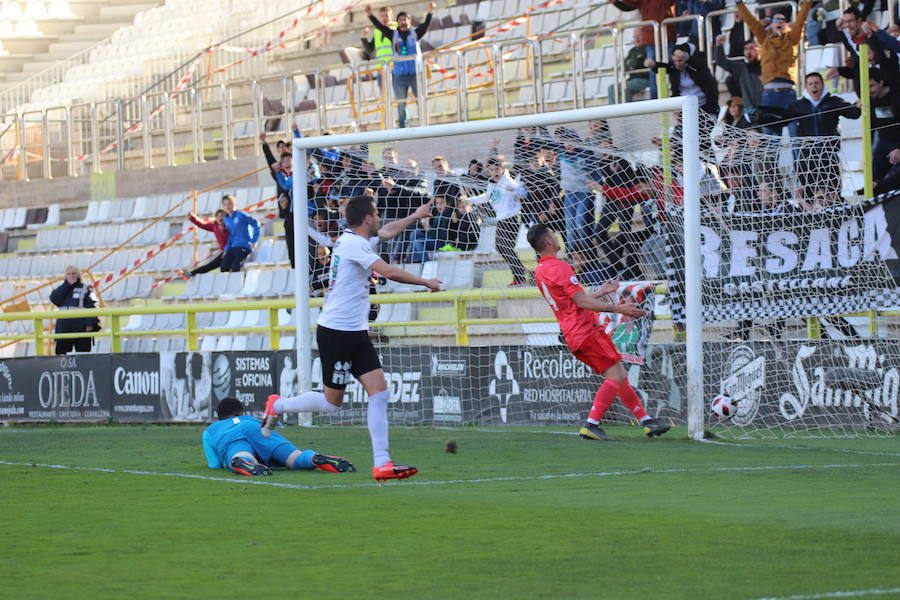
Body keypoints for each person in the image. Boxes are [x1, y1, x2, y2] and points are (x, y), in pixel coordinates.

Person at [260, 196, 441, 482]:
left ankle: (382, 463)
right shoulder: (354, 244)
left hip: (355, 331)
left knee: (379, 392)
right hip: (337, 333)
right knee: (333, 403)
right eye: (377, 214)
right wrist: (426, 282)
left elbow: (389, 230)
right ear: (368, 218)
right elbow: (389, 272)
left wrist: (416, 215)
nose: (380, 218)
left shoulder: (357, 240)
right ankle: (278, 406)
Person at [528, 224, 670, 440]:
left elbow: (571, 303)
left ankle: (647, 422)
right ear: (548, 241)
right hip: (586, 330)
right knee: (618, 375)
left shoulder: (541, 270)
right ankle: (591, 424)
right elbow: (581, 301)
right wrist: (617, 308)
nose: (557, 237)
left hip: (572, 333)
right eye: (553, 234)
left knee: (617, 375)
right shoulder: (560, 267)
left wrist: (601, 292)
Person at [764, 72, 861, 202]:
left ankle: (840, 218)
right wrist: (762, 117)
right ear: (806, 87)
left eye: (817, 83)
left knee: (833, 195)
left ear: (822, 85)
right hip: (806, 159)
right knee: (808, 197)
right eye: (810, 84)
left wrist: (859, 104)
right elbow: (782, 120)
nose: (814, 86)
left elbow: (853, 114)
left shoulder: (833, 102)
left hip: (828, 157)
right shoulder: (798, 105)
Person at [202, 397, 355, 477]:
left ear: (220, 418)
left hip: (230, 437)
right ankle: (314, 458)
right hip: (257, 428)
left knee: (239, 454)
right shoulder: (250, 419)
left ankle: (244, 462)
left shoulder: (211, 430)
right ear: (242, 413)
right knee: (295, 458)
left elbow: (214, 464)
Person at [737, 0, 812, 135]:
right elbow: (751, 22)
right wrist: (739, 4)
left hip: (787, 92)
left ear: (786, 24)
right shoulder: (764, 38)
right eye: (776, 20)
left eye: (782, 20)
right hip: (769, 94)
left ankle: (799, 157)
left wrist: (808, 2)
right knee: (771, 137)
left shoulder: (791, 38)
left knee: (796, 134)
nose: (779, 22)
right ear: (771, 24)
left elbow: (801, 21)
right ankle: (771, 157)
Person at [366, 2, 437, 128]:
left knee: (420, 99)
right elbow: (379, 26)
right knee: (401, 103)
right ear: (397, 22)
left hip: (415, 73)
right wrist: (370, 15)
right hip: (399, 75)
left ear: (410, 21)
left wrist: (430, 12)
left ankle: (424, 126)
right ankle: (403, 127)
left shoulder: (416, 33)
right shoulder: (393, 34)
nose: (403, 22)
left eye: (405, 19)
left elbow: (426, 25)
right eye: (400, 20)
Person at [468, 156, 531, 286]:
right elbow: (486, 197)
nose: (494, 172)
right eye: (491, 170)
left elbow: (524, 193)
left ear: (502, 169)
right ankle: (521, 272)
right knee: (502, 247)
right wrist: (469, 200)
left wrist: (514, 189)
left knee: (504, 247)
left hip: (512, 218)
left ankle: (520, 275)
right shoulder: (492, 183)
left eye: (497, 169)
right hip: (502, 219)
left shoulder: (508, 181)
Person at [651, 43, 720, 116]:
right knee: (679, 127)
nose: (677, 63)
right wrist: (653, 64)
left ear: (686, 59)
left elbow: (699, 59)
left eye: (680, 60)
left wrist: (685, 54)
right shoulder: (674, 69)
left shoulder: (698, 67)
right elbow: (664, 66)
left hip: (705, 107)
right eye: (675, 61)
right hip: (685, 108)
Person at [49, 265, 99, 355]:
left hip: (81, 328)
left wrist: (90, 324)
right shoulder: (61, 289)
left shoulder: (87, 289)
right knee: (61, 358)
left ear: (78, 275)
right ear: (65, 276)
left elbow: (93, 306)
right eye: (69, 274)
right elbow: (54, 299)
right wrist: (66, 286)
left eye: (74, 273)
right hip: (63, 329)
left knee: (83, 358)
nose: (71, 276)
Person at [715, 34, 763, 112]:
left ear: (760, 50)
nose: (748, 52)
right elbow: (721, 61)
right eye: (746, 49)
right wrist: (719, 45)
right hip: (749, 110)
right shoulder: (741, 68)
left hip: (766, 109)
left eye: (751, 48)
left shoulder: (768, 67)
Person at [868, 68, 900, 182]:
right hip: (883, 142)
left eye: (871, 86)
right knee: (874, 178)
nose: (869, 90)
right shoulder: (869, 100)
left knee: (893, 180)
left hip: (897, 143)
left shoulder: (896, 97)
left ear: (881, 83)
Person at [607, 29, 650, 103]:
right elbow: (624, 66)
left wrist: (632, 63)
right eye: (634, 36)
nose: (636, 39)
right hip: (632, 79)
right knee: (611, 88)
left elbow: (634, 64)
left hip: (645, 79)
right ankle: (612, 112)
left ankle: (628, 112)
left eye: (639, 36)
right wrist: (631, 64)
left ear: (644, 36)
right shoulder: (632, 50)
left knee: (625, 87)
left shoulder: (648, 48)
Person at [220, 194, 260, 272]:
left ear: (234, 204)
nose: (228, 206)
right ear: (223, 206)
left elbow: (256, 224)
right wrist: (226, 249)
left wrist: (254, 241)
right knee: (223, 267)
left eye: (230, 203)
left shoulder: (241, 215)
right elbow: (231, 235)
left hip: (244, 246)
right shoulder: (226, 219)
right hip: (233, 246)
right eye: (225, 204)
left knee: (235, 267)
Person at [185, 209, 228, 276]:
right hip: (224, 252)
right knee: (210, 266)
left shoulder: (230, 226)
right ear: (216, 218)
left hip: (231, 250)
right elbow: (202, 225)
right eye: (218, 216)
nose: (220, 217)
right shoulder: (215, 226)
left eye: (222, 215)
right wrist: (192, 218)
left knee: (224, 267)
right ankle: (192, 273)